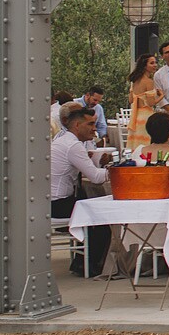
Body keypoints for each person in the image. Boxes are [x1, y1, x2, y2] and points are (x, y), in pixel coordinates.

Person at [51, 103, 111, 277]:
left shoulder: (63, 140)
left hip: (49, 201)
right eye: (90, 124)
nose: (94, 129)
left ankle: (81, 261)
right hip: (57, 203)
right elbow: (96, 177)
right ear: (77, 126)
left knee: (89, 203)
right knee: (101, 215)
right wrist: (117, 171)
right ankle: (89, 264)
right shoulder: (73, 145)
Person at [124, 54, 160, 154]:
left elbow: (131, 100)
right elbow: (151, 103)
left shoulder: (134, 81)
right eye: (152, 63)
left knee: (135, 144)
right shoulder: (148, 82)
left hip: (135, 117)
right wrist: (161, 96)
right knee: (145, 143)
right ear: (145, 65)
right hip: (145, 116)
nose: (155, 65)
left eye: (155, 62)